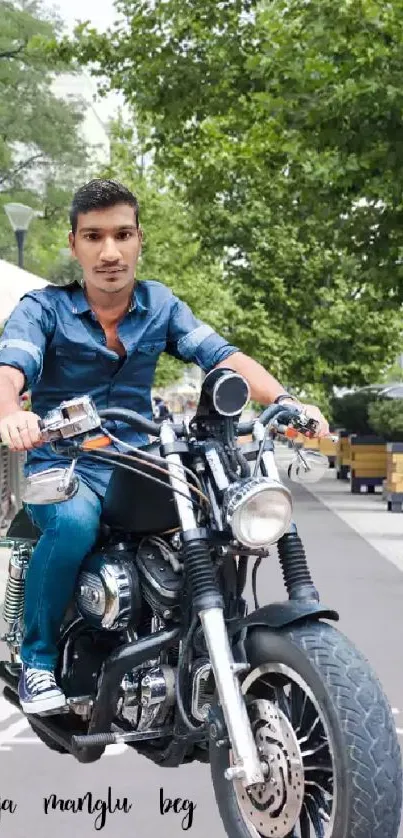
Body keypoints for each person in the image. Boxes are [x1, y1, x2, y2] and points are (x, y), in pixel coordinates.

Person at [0, 179, 329, 715]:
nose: (110, 251)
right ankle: (38, 660)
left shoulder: (160, 305)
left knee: (222, 503)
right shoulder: (43, 310)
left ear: (139, 239)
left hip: (135, 458)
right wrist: (12, 414)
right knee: (75, 523)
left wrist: (290, 401)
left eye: (122, 234)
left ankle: (195, 640)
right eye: (94, 236)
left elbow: (221, 356)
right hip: (63, 461)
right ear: (74, 244)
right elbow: (10, 367)